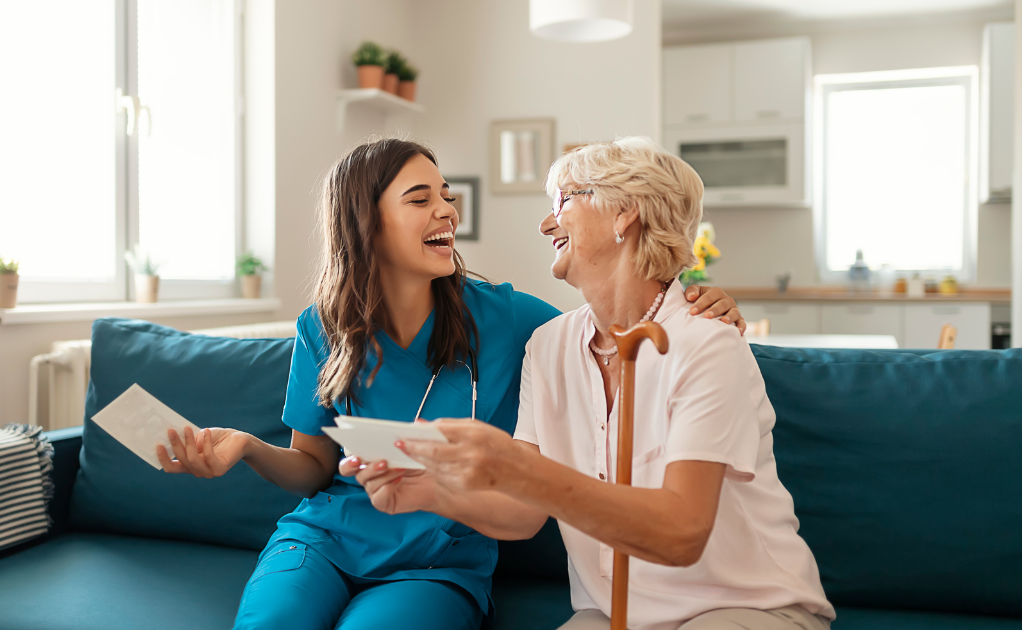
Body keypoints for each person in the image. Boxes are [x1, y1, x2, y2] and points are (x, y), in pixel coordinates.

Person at [154, 138, 744, 630]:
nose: (448, 212)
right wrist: (247, 450)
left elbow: (619, 318)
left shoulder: (513, 321)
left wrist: (698, 299)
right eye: (421, 198)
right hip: (323, 541)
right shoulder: (323, 324)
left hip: (439, 559)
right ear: (367, 223)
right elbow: (312, 467)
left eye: (447, 196)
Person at [347, 138, 835, 630]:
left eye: (561, 201)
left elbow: (681, 532)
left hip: (743, 606)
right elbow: (523, 512)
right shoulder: (549, 347)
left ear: (625, 213)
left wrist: (514, 466)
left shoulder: (706, 342)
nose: (545, 223)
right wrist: (427, 492)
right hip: (611, 615)